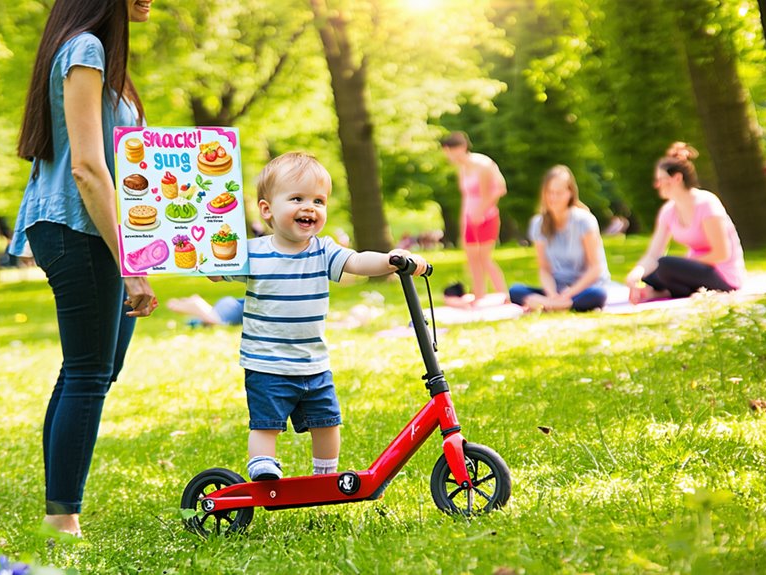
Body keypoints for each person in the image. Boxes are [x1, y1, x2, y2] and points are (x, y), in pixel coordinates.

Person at [8, 0, 157, 537]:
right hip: (77, 228)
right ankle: (61, 517)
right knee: (90, 374)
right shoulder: (86, 49)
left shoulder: (95, 54)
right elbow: (89, 169)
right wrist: (131, 262)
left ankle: (58, 503)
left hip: (92, 230)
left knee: (91, 371)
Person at [221, 152, 427, 482]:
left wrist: (392, 259)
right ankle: (263, 466)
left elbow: (358, 262)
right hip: (266, 363)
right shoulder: (251, 252)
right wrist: (211, 264)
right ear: (267, 210)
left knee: (328, 421)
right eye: (297, 198)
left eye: (318, 200)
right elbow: (218, 271)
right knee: (266, 423)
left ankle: (325, 477)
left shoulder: (323, 250)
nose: (310, 207)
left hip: (313, 363)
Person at [626, 143, 746, 303]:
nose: (656, 185)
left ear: (677, 178)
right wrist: (636, 275)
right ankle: (661, 292)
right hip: (695, 271)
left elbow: (721, 254)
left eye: (660, 180)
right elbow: (653, 254)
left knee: (664, 265)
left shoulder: (706, 203)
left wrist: (685, 263)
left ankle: (662, 290)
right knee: (651, 273)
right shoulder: (668, 211)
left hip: (722, 274)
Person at [509, 165, 610, 312]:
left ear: (570, 193)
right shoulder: (538, 224)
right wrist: (551, 295)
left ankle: (548, 305)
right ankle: (557, 305)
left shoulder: (584, 221)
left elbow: (596, 269)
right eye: (550, 192)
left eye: (559, 193)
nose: (553, 198)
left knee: (597, 295)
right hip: (557, 290)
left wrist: (569, 293)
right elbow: (544, 269)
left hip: (584, 288)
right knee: (515, 290)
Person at [440, 131, 508, 303]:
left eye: (449, 150)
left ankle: (505, 296)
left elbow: (498, 190)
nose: (447, 155)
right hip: (470, 218)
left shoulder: (483, 164)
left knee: (484, 259)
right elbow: (467, 197)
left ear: (461, 148)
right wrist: (464, 222)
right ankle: (479, 296)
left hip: (487, 217)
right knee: (472, 259)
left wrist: (480, 212)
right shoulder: (462, 169)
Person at [166, 294, 244, 327]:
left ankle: (199, 312)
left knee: (212, 318)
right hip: (235, 307)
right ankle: (197, 304)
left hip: (232, 304)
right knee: (216, 319)